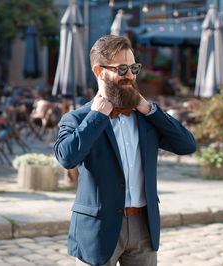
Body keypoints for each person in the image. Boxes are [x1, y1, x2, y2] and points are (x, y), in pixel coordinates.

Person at [53, 35, 197, 266]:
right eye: (122, 69)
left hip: (143, 225)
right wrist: (96, 117)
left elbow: (187, 145)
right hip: (98, 229)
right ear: (99, 71)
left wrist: (151, 110)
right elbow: (67, 158)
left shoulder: (146, 117)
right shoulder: (77, 118)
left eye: (134, 68)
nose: (130, 75)